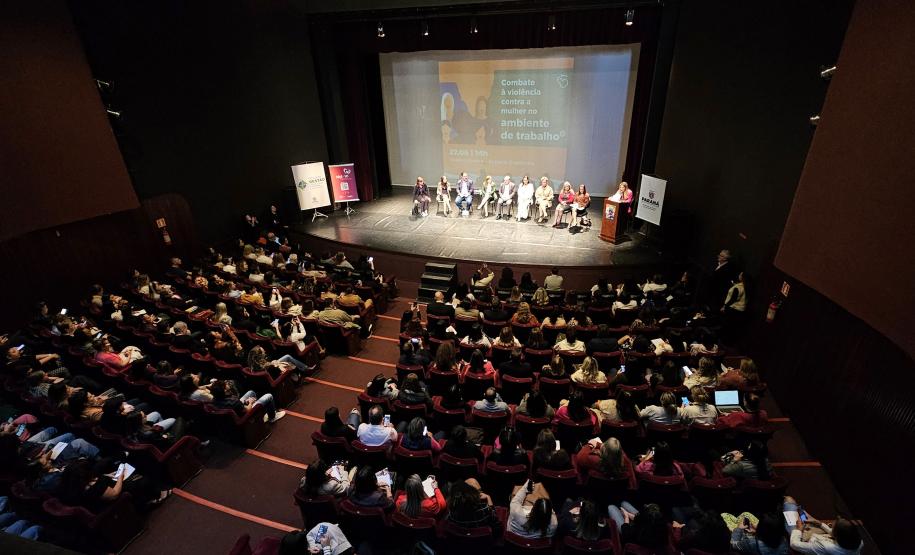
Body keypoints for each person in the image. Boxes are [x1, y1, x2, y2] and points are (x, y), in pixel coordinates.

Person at [784, 497, 862, 554]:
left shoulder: (826, 547)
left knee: (789, 501)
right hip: (821, 539)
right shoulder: (858, 542)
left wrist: (798, 530)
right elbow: (835, 534)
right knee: (803, 514)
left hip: (809, 542)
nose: (831, 527)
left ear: (836, 535)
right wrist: (820, 524)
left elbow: (794, 544)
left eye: (832, 527)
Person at [211, 380, 286, 422]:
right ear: (224, 390)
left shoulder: (214, 400)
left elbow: (235, 404)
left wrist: (243, 403)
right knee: (269, 396)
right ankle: (272, 417)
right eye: (225, 385)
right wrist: (250, 402)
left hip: (234, 410)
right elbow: (247, 410)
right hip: (244, 416)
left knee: (251, 392)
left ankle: (259, 416)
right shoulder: (234, 401)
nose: (227, 384)